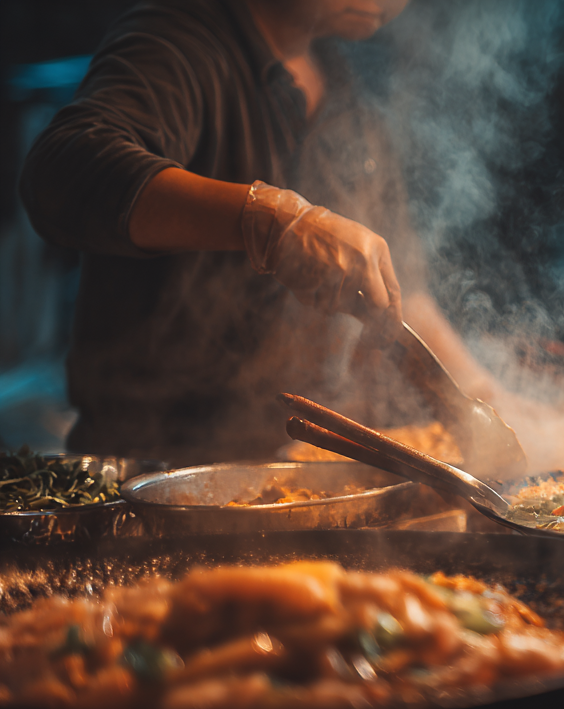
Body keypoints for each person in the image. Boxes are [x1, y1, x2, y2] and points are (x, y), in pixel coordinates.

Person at [19, 0, 496, 465]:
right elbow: (63, 171)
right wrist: (268, 220)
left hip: (298, 467)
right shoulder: (176, 38)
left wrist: (487, 398)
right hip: (154, 476)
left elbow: (401, 290)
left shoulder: (345, 87)